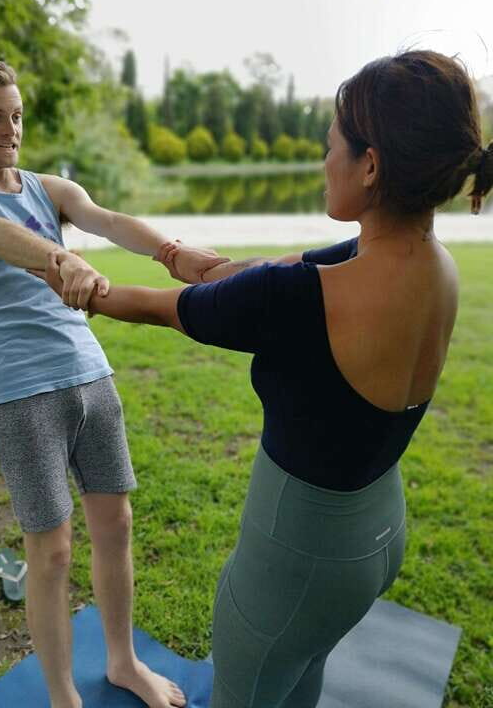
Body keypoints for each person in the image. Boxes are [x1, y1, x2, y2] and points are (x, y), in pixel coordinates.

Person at [34, 50, 493, 708]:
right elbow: (264, 270)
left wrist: (76, 279)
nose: (323, 161)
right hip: (375, 531)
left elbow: (158, 308)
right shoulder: (432, 263)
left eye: (331, 146)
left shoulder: (303, 297)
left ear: (370, 165)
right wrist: (180, 255)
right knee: (303, 670)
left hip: (297, 556)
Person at [0, 56, 229, 708]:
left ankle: (123, 663)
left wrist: (173, 254)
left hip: (90, 373)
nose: (10, 129)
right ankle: (62, 696)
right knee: (51, 552)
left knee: (116, 525)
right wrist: (59, 256)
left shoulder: (48, 187)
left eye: (16, 115)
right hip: (19, 389)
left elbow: (107, 219)